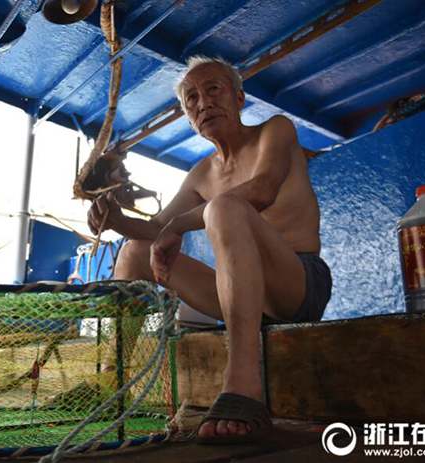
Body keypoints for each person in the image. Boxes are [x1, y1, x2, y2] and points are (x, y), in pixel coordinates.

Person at [87, 55, 332, 444]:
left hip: (297, 285)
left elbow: (263, 190)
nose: (204, 103)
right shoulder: (201, 173)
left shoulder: (275, 130)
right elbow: (156, 228)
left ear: (239, 97)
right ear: (188, 118)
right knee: (133, 251)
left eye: (214, 89)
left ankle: (242, 383)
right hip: (242, 294)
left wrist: (179, 225)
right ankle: (110, 382)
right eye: (192, 99)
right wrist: (115, 219)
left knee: (225, 208)